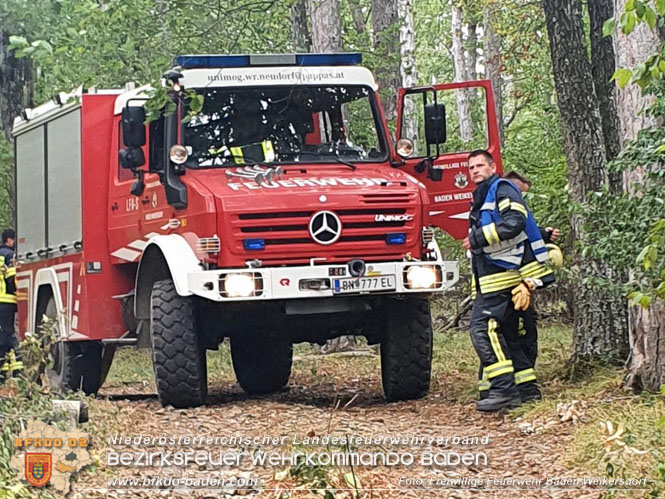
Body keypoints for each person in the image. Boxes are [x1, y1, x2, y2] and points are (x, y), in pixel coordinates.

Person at [463, 152, 554, 412]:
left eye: (480, 165)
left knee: (482, 330)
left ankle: (503, 389)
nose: (475, 170)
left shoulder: (501, 188)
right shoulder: (485, 193)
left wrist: (478, 238)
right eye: (471, 167)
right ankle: (525, 390)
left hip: (503, 276)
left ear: (493, 167)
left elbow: (515, 222)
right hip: (498, 277)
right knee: (510, 335)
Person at [0, 228, 21, 381]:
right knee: (9, 334)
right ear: (9, 240)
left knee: (3, 333)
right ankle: (17, 370)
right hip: (6, 300)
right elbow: (12, 278)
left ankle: (3, 370)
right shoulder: (9, 255)